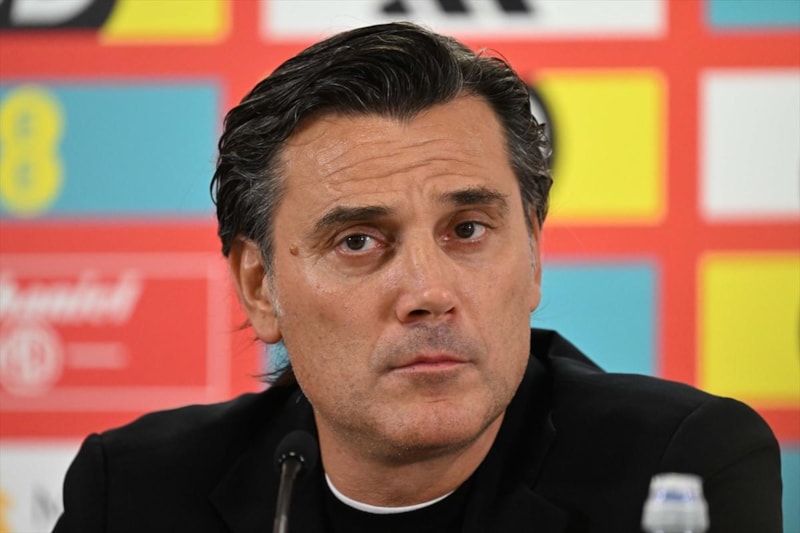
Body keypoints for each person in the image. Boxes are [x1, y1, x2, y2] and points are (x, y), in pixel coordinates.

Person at [53, 22, 782, 533]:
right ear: (258, 285)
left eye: (467, 230)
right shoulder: (135, 491)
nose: (430, 292)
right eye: (359, 241)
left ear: (532, 253)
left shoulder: (678, 466)